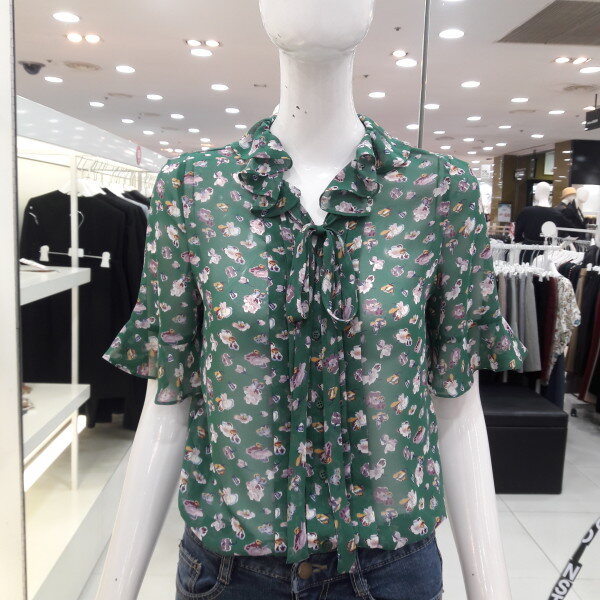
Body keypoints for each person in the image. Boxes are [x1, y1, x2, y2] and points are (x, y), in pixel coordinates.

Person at [95, 1, 526, 598]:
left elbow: (457, 406)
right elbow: (167, 405)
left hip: (389, 571)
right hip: (230, 573)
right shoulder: (193, 188)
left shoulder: (438, 191)